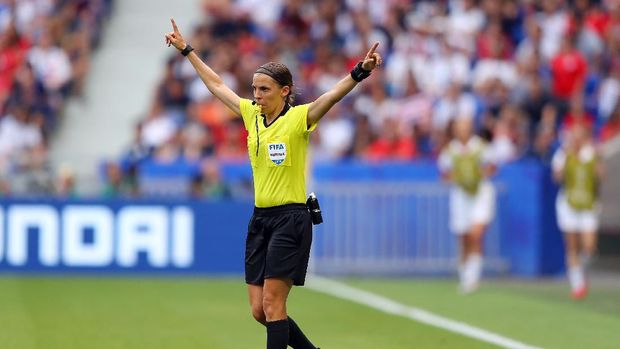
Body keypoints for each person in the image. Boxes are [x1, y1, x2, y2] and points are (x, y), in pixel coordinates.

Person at [164, 19, 382, 349]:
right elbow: (217, 85)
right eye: (254, 89)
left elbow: (331, 97)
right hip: (260, 219)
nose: (257, 96)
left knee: (273, 305)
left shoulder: (298, 119)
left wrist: (359, 72)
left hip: (291, 219)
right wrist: (187, 50)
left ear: (284, 91)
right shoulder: (252, 114)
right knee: (258, 310)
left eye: (264, 89)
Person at [438, 117, 496, 294]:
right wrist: (457, 177)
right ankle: (464, 274)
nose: (462, 131)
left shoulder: (480, 147)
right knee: (463, 237)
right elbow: (444, 174)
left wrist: (478, 174)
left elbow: (492, 167)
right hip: (460, 196)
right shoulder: (450, 151)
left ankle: (473, 277)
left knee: (476, 234)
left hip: (479, 194)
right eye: (459, 128)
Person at [552, 123, 602, 300]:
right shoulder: (563, 154)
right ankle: (577, 284)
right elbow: (557, 177)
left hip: (588, 203)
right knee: (572, 244)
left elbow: (600, 177)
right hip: (569, 203)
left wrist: (596, 160)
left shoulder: (591, 154)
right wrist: (567, 159)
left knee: (589, 246)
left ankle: (581, 271)